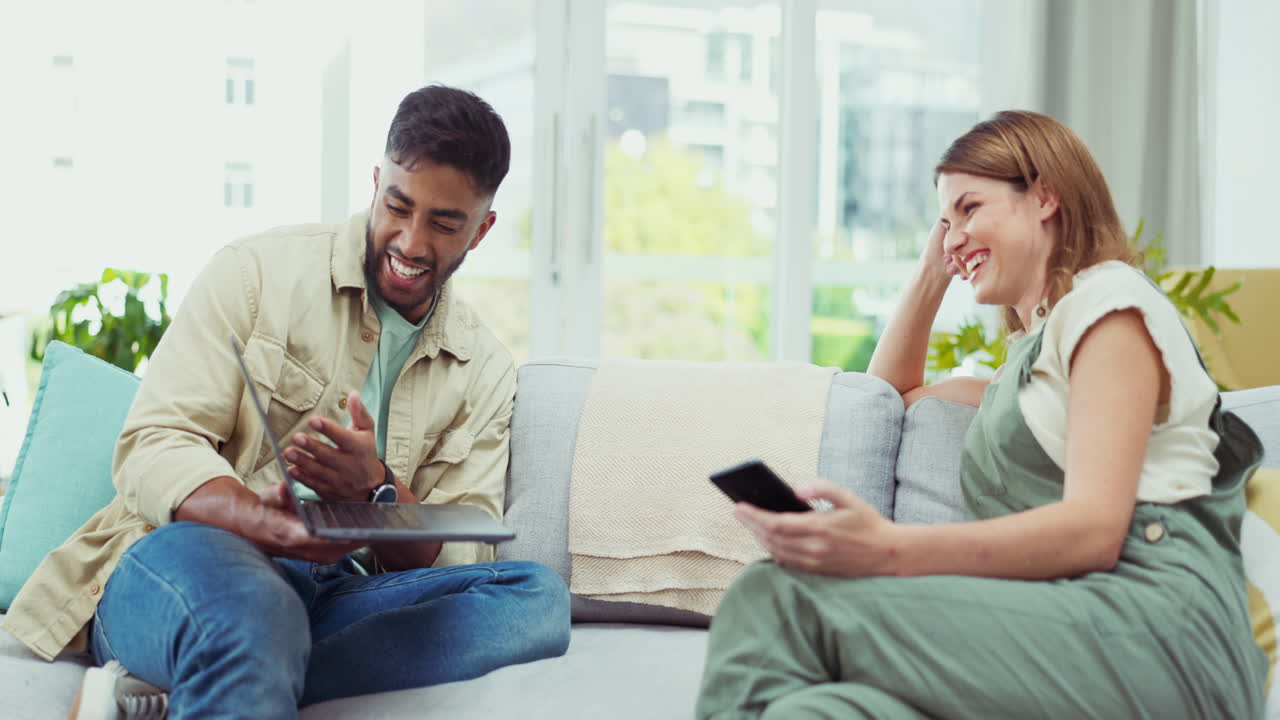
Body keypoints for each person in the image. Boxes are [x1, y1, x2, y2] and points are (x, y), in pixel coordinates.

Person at [4, 84, 571, 719]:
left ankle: (203, 680)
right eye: (398, 205)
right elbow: (153, 443)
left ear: (483, 228)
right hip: (194, 556)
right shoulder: (257, 271)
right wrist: (259, 520)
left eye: (444, 224)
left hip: (336, 595)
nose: (411, 243)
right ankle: (231, 653)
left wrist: (376, 492)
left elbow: (460, 549)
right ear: (376, 180)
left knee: (536, 600)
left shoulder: (484, 369)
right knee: (256, 608)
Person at [695, 110, 1267, 719]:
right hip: (1063, 628)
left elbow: (1096, 531)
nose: (952, 236)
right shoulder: (1021, 377)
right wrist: (933, 268)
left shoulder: (1110, 307)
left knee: (775, 596)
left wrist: (888, 550)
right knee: (825, 712)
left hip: (1159, 633)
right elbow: (884, 400)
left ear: (1046, 195)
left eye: (970, 208)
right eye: (943, 222)